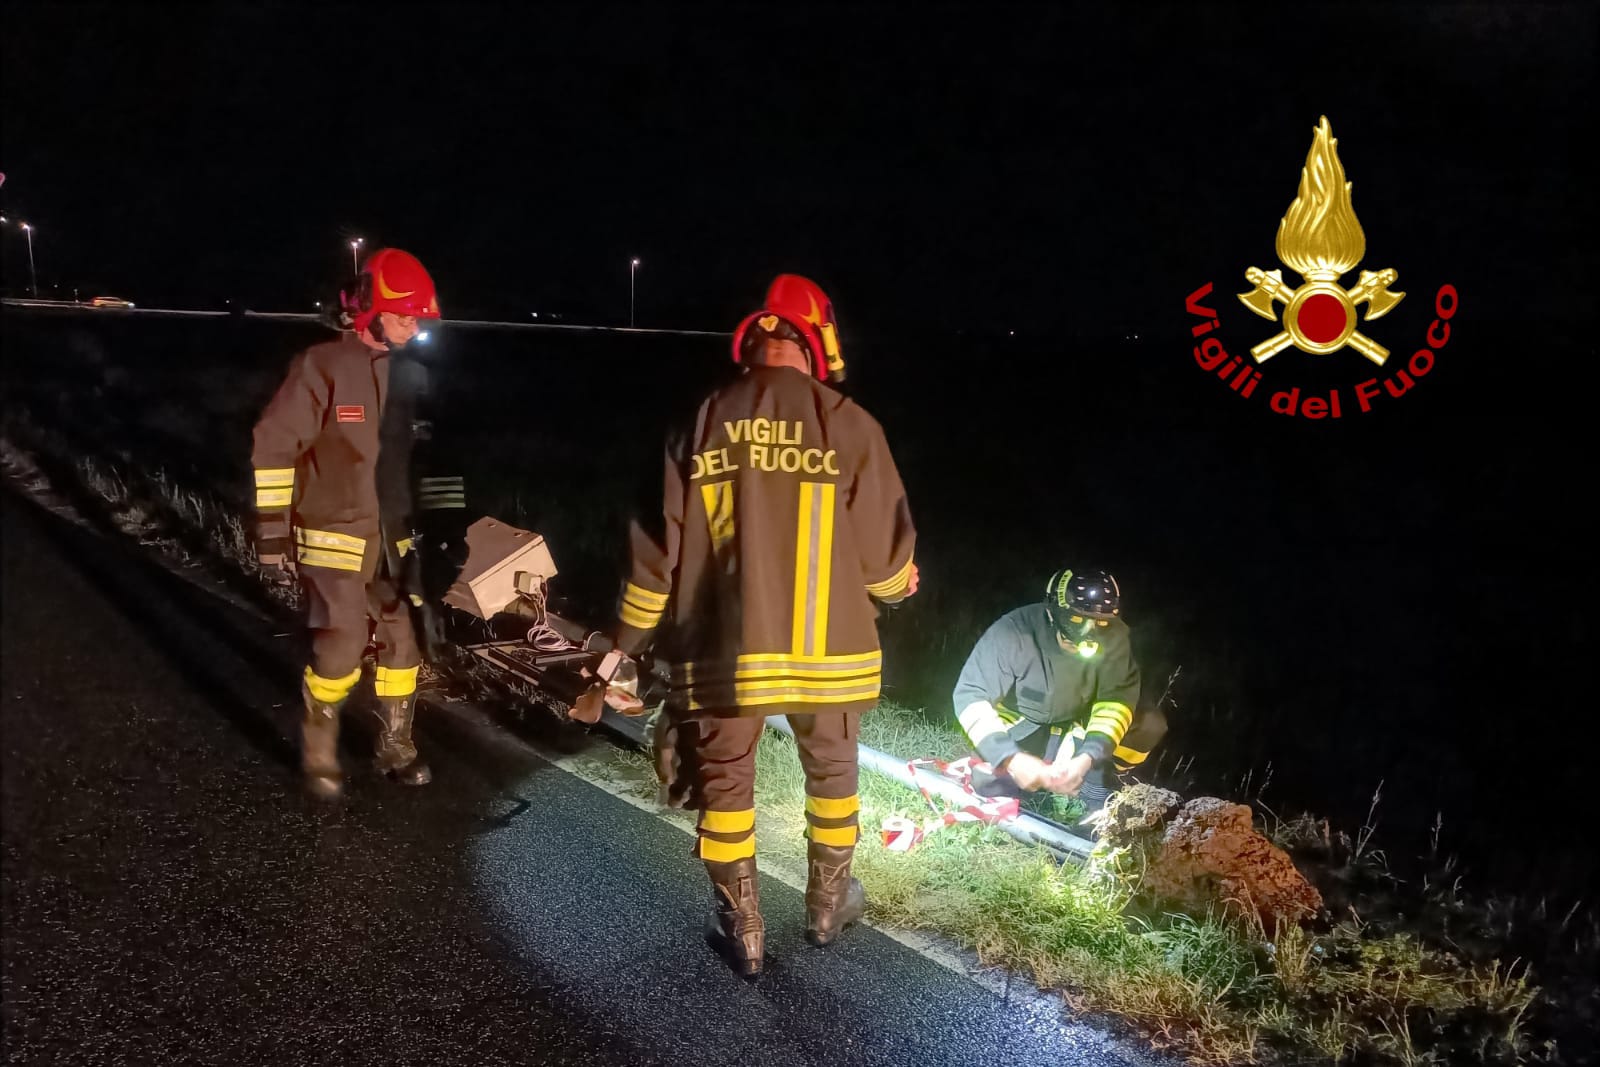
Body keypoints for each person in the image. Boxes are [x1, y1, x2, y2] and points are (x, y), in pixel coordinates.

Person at [609, 274, 918, 977]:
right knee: (834, 775)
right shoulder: (851, 423)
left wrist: (626, 644)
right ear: (821, 340)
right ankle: (826, 908)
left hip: (724, 652)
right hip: (831, 653)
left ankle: (742, 928)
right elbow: (887, 566)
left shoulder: (699, 418)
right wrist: (899, 585)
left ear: (753, 339)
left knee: (725, 786)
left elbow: (656, 553)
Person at [251, 247, 446, 799]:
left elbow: (429, 460)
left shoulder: (414, 378)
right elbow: (273, 446)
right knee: (340, 647)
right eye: (405, 314)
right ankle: (319, 738)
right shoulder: (322, 367)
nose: (415, 325)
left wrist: (444, 526)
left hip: (393, 540)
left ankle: (396, 745)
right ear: (369, 310)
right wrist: (271, 532)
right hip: (332, 534)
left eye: (419, 317)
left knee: (402, 645)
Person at [952, 568, 1167, 820]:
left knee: (1149, 723)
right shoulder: (1014, 630)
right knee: (989, 784)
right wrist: (1011, 758)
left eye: (1101, 623)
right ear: (1053, 612)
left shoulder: (1115, 636)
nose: (1090, 631)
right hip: (1027, 722)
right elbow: (971, 695)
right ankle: (1025, 773)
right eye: (1077, 620)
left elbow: (1115, 701)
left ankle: (1100, 782)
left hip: (1077, 725)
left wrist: (1087, 759)